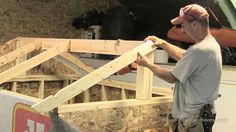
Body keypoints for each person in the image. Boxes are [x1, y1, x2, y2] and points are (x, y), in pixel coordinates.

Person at [136, 4, 222, 132]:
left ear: (194, 24)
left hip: (193, 119)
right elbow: (185, 56)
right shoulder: (211, 45)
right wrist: (163, 43)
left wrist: (148, 64)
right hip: (200, 115)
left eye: (183, 26)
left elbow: (171, 78)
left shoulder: (199, 50)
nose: (182, 30)